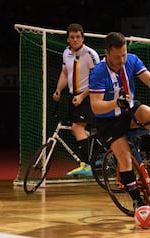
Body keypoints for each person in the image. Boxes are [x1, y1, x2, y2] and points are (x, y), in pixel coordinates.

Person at [88, 32, 150, 209]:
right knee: (124, 159)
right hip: (108, 121)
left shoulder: (132, 60)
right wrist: (115, 102)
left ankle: (148, 158)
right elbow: (95, 106)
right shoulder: (98, 72)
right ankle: (137, 200)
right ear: (107, 53)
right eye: (117, 56)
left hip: (129, 110)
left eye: (124, 54)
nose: (121, 60)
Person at [52, 23, 100, 177]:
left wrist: (82, 96)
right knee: (79, 129)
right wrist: (58, 89)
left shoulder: (90, 54)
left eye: (78, 37)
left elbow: (97, 80)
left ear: (82, 38)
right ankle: (97, 150)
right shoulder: (66, 52)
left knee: (77, 128)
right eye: (72, 37)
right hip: (74, 96)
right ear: (67, 39)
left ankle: (86, 165)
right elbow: (65, 73)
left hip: (89, 95)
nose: (75, 40)